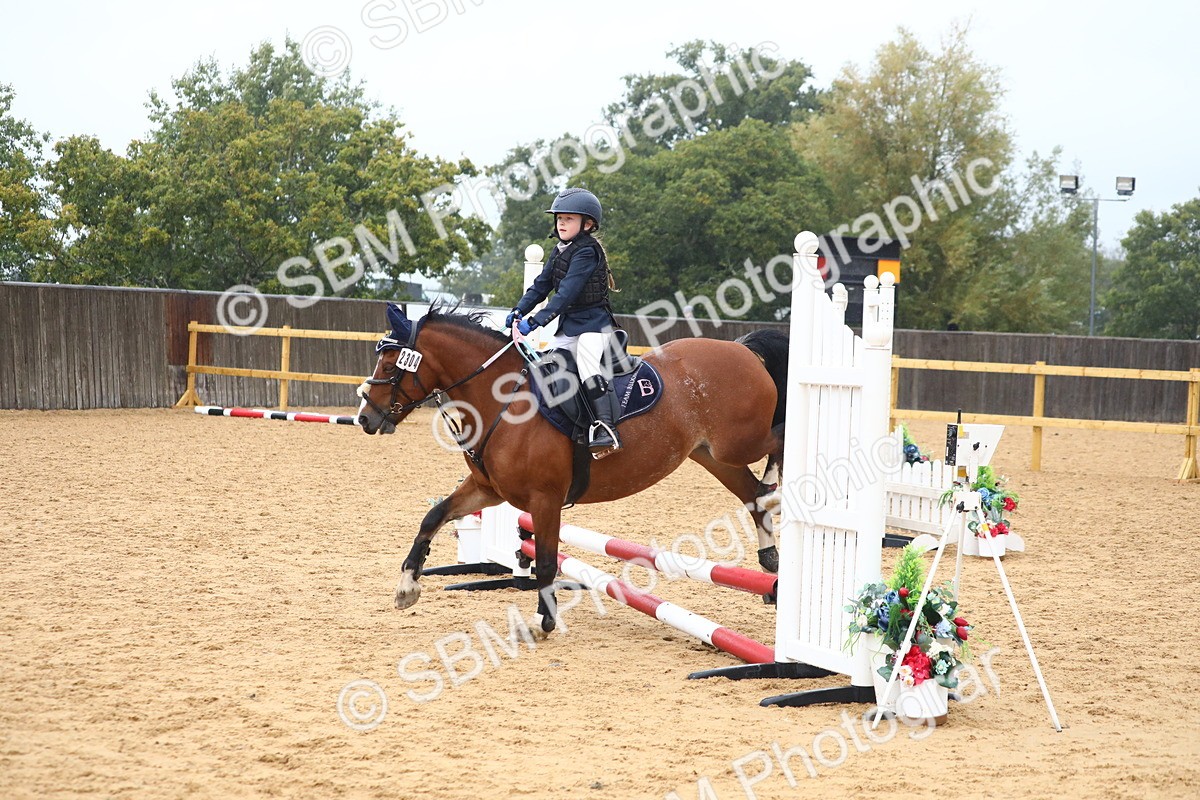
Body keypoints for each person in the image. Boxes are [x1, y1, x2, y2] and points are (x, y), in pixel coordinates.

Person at [505, 188, 622, 458]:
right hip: (569, 328)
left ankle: (606, 427)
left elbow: (566, 293)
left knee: (587, 363)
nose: (561, 223)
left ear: (588, 224)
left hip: (595, 326)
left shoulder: (588, 252)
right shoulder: (559, 251)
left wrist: (533, 323)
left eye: (569, 218)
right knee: (546, 369)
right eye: (559, 218)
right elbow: (541, 286)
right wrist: (519, 310)